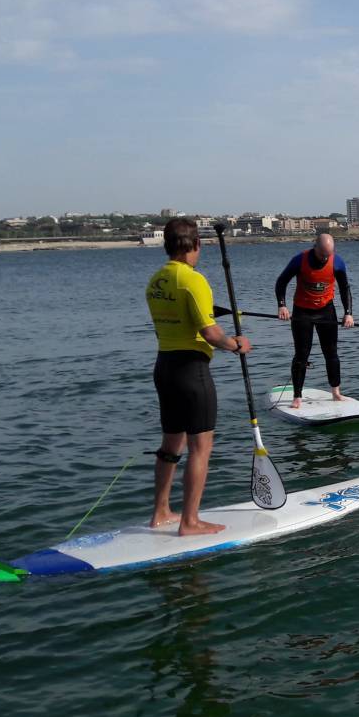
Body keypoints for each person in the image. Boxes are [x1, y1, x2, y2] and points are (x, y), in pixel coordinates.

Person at [145, 218, 250, 536]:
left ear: (167, 244)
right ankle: (190, 521)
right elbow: (209, 332)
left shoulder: (156, 280)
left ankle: (161, 512)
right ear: (196, 245)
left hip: (164, 368)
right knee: (200, 447)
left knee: (170, 445)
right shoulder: (194, 280)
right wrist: (236, 345)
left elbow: (182, 318)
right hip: (192, 372)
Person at [274, 232, 354, 410]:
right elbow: (281, 282)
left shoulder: (337, 262)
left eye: (328, 254)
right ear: (315, 246)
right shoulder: (299, 260)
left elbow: (344, 288)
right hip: (302, 312)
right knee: (302, 355)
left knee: (331, 353)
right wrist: (282, 305)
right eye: (322, 254)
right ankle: (297, 397)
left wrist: (348, 313)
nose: (325, 257)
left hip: (326, 311)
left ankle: (336, 392)